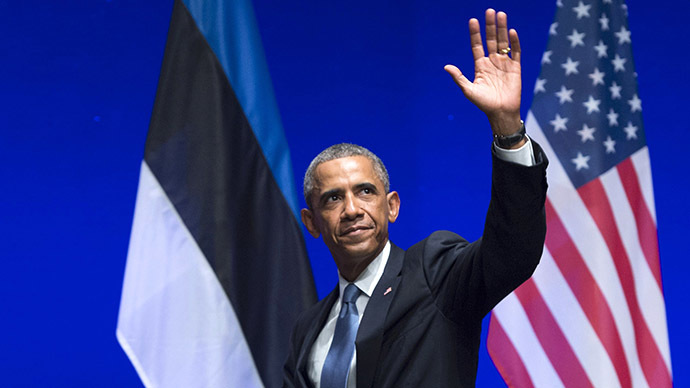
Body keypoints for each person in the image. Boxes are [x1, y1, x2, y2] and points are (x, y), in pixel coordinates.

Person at [283, 9, 548, 388]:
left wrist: (507, 129)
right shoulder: (308, 329)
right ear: (311, 223)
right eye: (333, 199)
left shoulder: (435, 273)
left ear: (391, 205)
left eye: (365, 191)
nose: (352, 209)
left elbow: (514, 251)